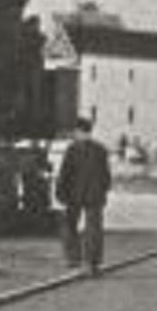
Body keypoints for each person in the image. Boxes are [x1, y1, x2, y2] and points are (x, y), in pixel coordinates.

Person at [54, 117, 112, 274]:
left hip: (74, 194)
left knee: (69, 225)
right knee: (94, 229)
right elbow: (106, 175)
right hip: (95, 195)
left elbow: (64, 173)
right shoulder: (100, 149)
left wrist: (60, 192)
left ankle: (73, 259)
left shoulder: (72, 149)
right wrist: (104, 190)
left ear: (78, 131)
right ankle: (92, 262)